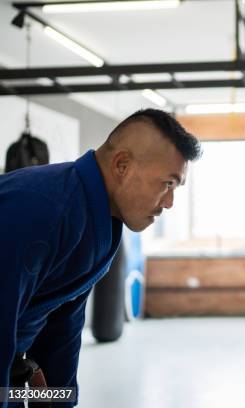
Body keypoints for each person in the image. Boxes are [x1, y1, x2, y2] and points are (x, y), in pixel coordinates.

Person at [0, 108, 202, 407]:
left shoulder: (102, 227)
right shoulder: (43, 210)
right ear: (122, 165)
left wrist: (59, 401)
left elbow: (63, 329)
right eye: (167, 184)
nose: (170, 203)